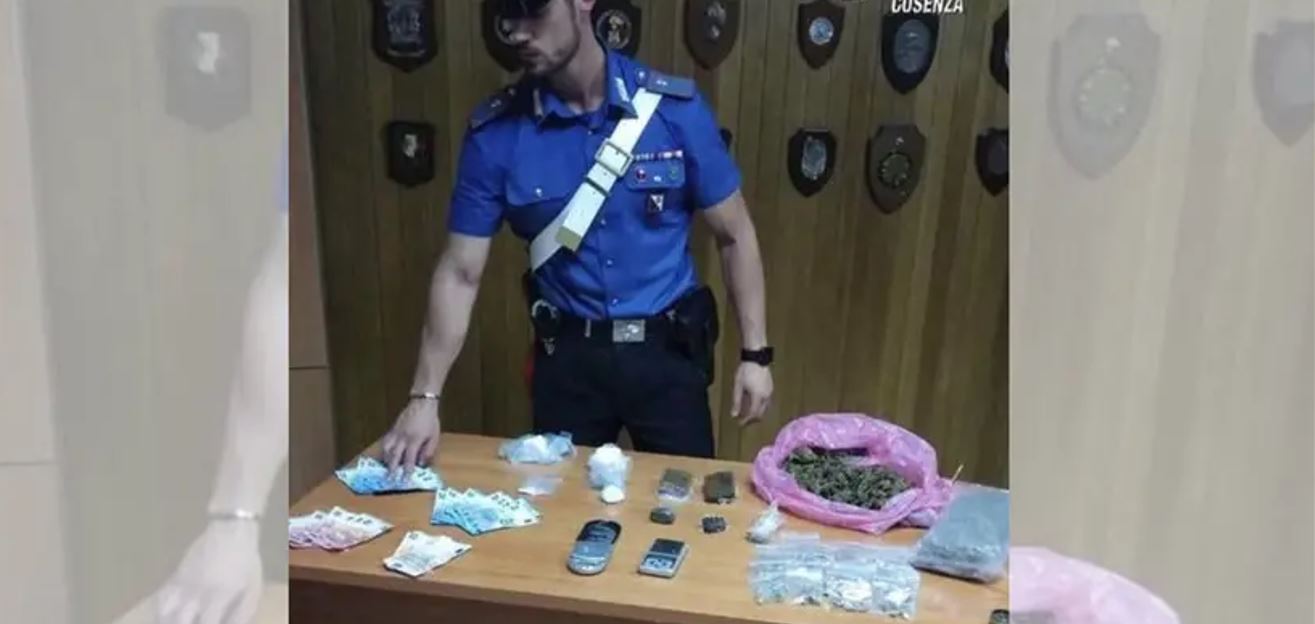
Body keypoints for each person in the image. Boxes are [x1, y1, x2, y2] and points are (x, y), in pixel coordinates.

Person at [381, 0, 773, 472]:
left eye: (534, 9)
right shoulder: (496, 134)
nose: (517, 32)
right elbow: (460, 272)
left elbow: (735, 234)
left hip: (668, 357)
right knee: (557, 507)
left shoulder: (673, 112)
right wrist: (424, 398)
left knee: (683, 501)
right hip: (568, 363)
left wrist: (755, 355)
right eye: (507, 16)